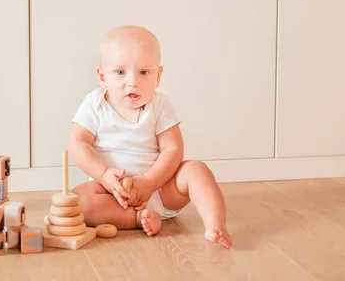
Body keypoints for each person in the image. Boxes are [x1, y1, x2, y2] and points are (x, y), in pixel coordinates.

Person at [68, 25, 232, 248]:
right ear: (102, 76)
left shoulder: (159, 105)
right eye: (120, 72)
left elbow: (173, 149)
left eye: (144, 72)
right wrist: (104, 175)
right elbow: (78, 143)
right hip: (112, 192)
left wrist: (149, 181)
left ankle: (215, 224)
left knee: (196, 169)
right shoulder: (94, 104)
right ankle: (140, 218)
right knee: (78, 201)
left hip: (160, 189)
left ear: (158, 76)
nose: (132, 82)